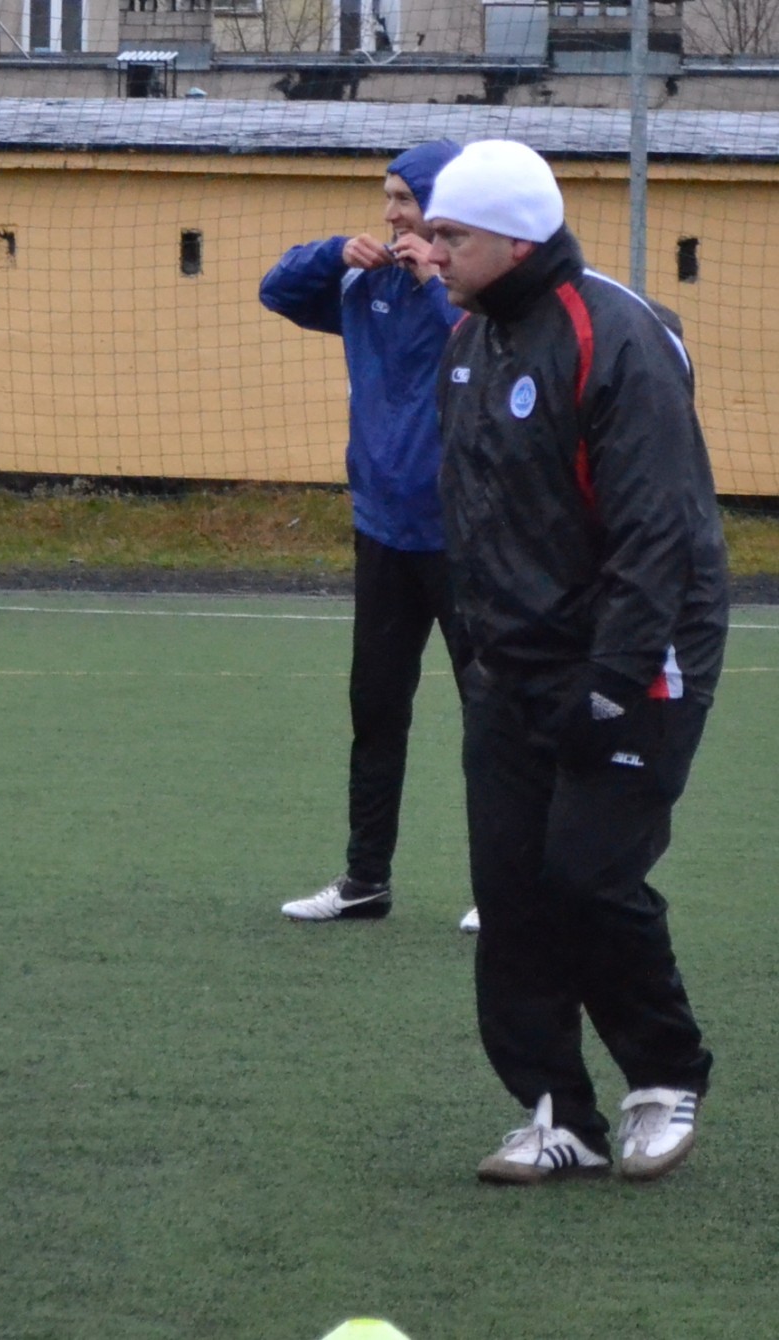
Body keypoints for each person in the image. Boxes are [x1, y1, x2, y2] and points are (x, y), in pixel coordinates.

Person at [423, 140, 728, 1182]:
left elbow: (659, 535)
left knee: (589, 877)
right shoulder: (467, 343)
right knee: (511, 892)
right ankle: (559, 1112)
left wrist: (609, 681)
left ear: (515, 238)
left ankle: (665, 1075)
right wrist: (481, 653)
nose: (429, 249)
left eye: (450, 233)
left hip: (638, 653)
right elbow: (474, 514)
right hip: (512, 665)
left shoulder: (615, 335)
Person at [259, 141, 479, 930]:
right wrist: (332, 252)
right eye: (386, 199)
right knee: (376, 710)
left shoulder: (473, 294)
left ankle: (506, 891)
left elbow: (483, 345)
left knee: (493, 717)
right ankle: (364, 881)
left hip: (466, 539)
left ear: (441, 209)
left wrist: (432, 281)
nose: (389, 214)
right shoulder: (364, 281)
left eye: (403, 200)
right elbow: (277, 289)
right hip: (383, 533)